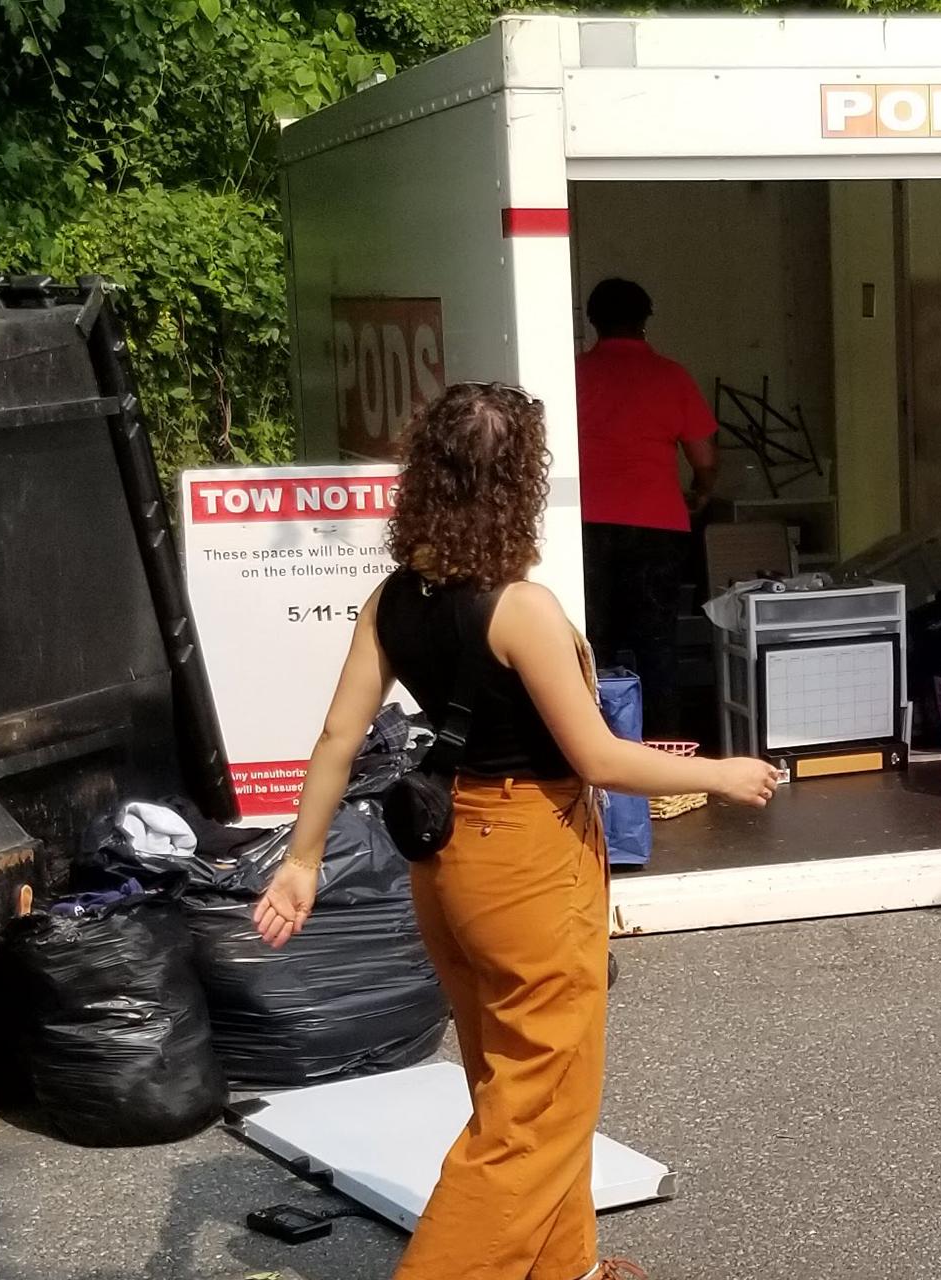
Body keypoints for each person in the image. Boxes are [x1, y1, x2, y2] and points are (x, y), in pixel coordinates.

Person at [252, 383, 780, 1280]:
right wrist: (721, 774)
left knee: (522, 1087)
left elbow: (340, 735)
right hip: (529, 859)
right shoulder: (520, 610)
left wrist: (301, 861)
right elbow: (601, 759)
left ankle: (565, 1268)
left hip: (449, 864)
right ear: (518, 483)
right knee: (533, 1109)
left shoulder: (395, 599)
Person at [576, 278, 719, 740]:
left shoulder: (571, 374)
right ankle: (665, 754)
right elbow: (704, 458)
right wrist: (701, 491)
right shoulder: (671, 376)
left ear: (592, 320)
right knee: (658, 646)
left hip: (587, 526)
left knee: (593, 644)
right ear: (645, 320)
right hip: (657, 527)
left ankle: (599, 753)